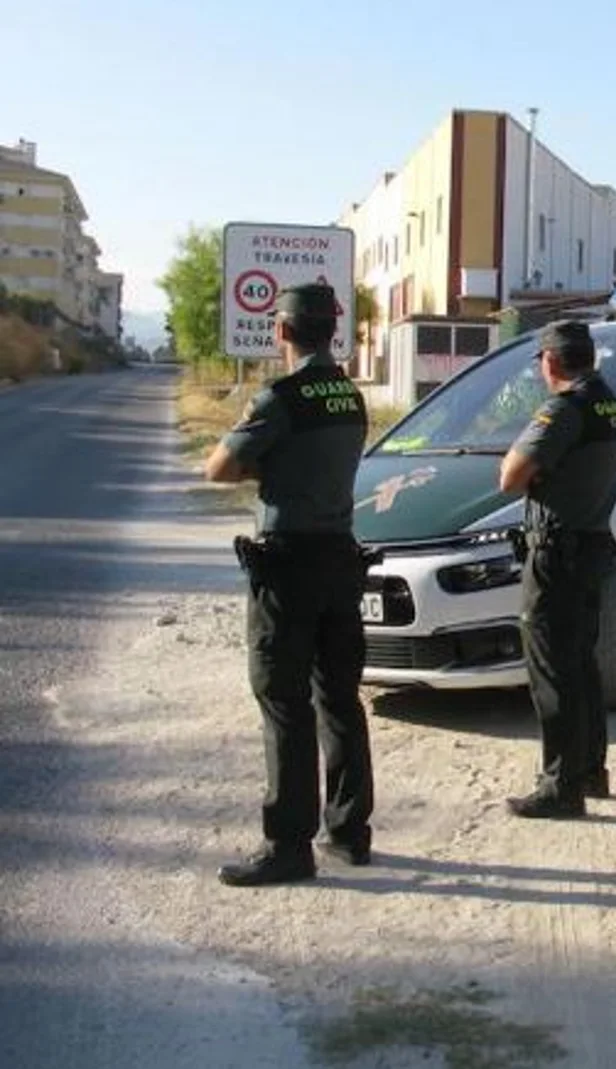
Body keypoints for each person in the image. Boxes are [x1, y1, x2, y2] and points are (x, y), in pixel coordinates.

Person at [204, 282, 375, 886]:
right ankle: (351, 833)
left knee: (283, 702)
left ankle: (288, 847)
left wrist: (264, 466)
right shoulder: (350, 396)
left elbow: (220, 467)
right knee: (340, 698)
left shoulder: (280, 397)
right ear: (332, 330)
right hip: (339, 558)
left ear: (281, 331)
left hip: (289, 563)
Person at [498, 320, 616, 819]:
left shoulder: (564, 408)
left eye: (540, 362)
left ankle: (560, 786)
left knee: (552, 669)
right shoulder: (608, 402)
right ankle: (590, 770)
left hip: (558, 551)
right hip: (592, 543)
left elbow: (511, 477)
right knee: (581, 665)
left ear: (550, 361)